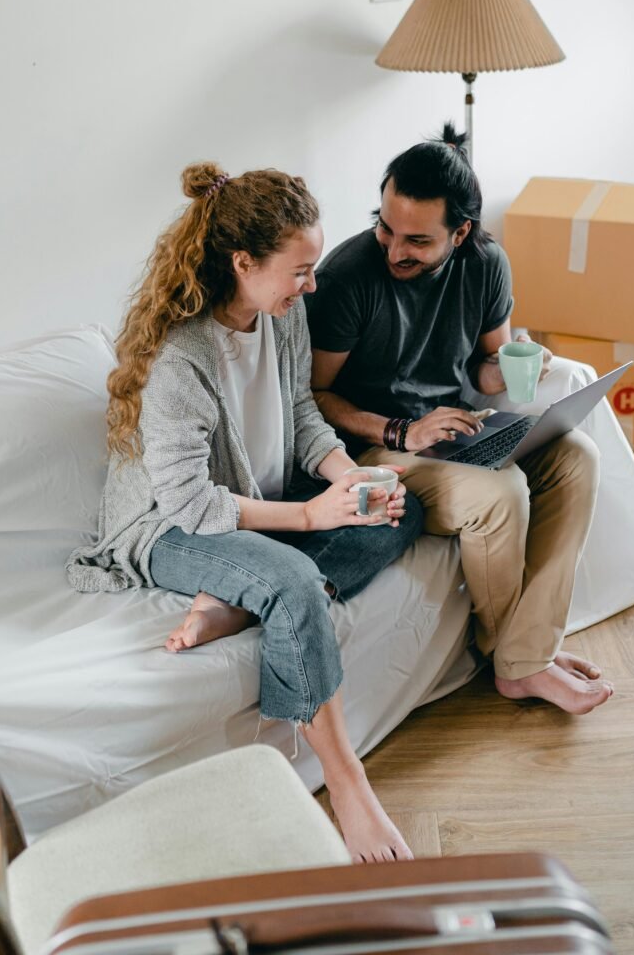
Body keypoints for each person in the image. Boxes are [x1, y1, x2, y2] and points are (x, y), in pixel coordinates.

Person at [67, 161, 425, 863]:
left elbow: (300, 415)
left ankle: (237, 601)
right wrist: (313, 520)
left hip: (257, 499)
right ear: (243, 262)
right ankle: (348, 786)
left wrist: (354, 480)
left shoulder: (280, 319)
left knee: (400, 508)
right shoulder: (180, 357)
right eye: (300, 270)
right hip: (168, 529)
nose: (312, 285)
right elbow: (193, 505)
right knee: (291, 582)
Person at [306, 123, 614, 716]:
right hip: (373, 447)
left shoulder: (486, 264)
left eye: (417, 240)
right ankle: (521, 662)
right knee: (501, 495)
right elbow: (314, 395)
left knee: (578, 458)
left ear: (461, 231)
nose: (395, 250)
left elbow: (486, 366)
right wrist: (403, 432)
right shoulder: (348, 278)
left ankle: (531, 652)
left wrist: (522, 365)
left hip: (454, 429)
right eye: (385, 227)